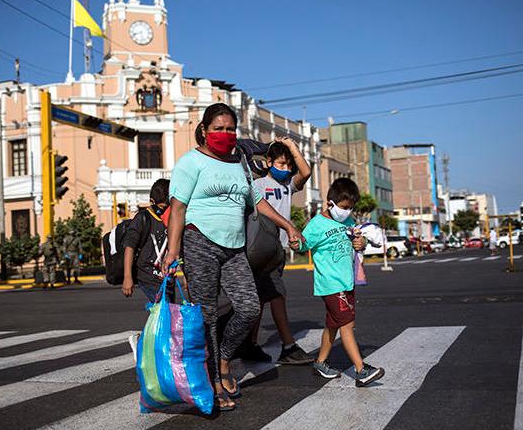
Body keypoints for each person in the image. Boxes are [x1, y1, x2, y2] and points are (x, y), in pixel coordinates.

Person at [162, 103, 303, 412]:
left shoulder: (239, 160)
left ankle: (224, 360)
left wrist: (289, 225)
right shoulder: (190, 162)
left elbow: (257, 200)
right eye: (218, 129)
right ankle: (212, 381)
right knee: (208, 315)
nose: (225, 134)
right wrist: (173, 252)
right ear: (204, 130)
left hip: (235, 246)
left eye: (230, 129)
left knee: (250, 308)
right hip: (199, 242)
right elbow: (178, 209)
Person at [291, 177, 385, 387]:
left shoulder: (349, 222)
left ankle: (321, 362)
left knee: (333, 324)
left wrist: (362, 242)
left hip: (347, 282)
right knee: (347, 325)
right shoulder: (317, 224)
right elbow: (302, 246)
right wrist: (295, 242)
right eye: (344, 207)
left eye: (351, 208)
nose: (347, 212)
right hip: (331, 284)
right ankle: (361, 370)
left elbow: (357, 244)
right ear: (330, 203)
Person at [246, 138, 313, 364]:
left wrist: (293, 148)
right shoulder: (259, 185)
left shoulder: (287, 186)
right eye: (280, 164)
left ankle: (251, 345)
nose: (285, 169)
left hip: (278, 250)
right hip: (263, 249)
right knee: (277, 295)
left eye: (287, 165)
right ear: (268, 162)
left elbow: (305, 172)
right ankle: (288, 346)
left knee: (261, 299)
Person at [121, 179, 171, 303]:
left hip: (166, 279)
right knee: (164, 312)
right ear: (152, 202)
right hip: (147, 276)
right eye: (162, 208)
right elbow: (129, 247)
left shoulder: (172, 219)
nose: (164, 211)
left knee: (166, 315)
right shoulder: (143, 218)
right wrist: (127, 277)